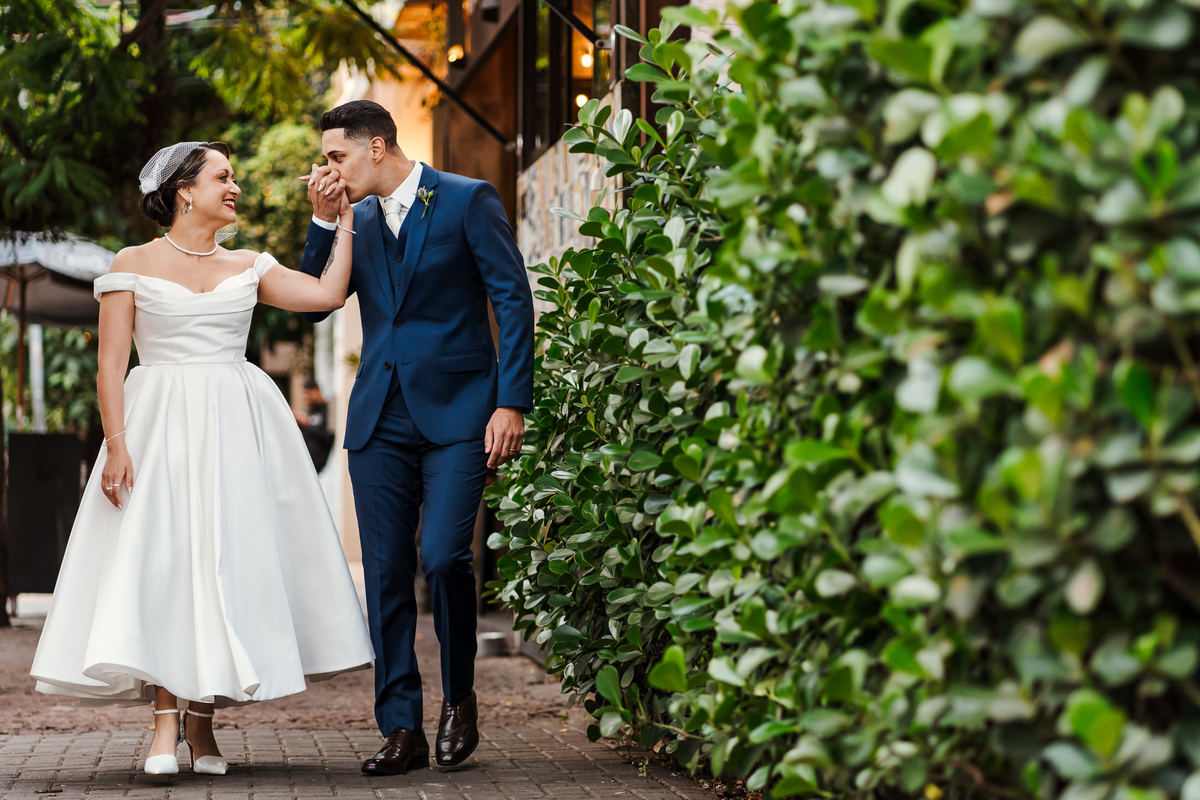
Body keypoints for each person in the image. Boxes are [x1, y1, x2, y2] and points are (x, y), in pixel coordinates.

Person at [29, 141, 375, 777]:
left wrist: (343, 216)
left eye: (234, 178)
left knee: (223, 562)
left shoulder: (250, 264)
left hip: (237, 425)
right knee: (168, 562)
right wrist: (116, 444)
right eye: (224, 177)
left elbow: (328, 294)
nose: (234, 187)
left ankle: (203, 723)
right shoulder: (131, 262)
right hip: (157, 425)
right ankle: (165, 723)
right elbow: (111, 364)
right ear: (186, 190)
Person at [298, 100, 534, 774]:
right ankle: (401, 727)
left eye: (336, 157)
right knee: (386, 575)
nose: (329, 171)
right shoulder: (356, 219)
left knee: (442, 558)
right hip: (380, 418)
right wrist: (323, 221)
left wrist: (511, 402)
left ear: (376, 148)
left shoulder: (466, 199)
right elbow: (319, 299)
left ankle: (459, 695)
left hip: (462, 412)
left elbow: (512, 300)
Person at [295, 377, 334, 470]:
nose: (306, 399)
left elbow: (329, 437)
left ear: (316, 391)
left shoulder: (328, 410)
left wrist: (307, 424)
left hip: (317, 464)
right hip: (304, 463)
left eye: (308, 395)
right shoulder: (310, 411)